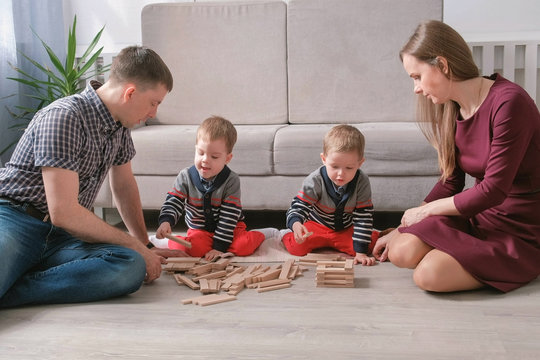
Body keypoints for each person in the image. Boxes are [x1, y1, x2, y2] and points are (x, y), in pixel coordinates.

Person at [0, 46, 174, 308]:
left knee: (129, 266)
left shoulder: (120, 125)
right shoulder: (64, 116)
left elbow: (124, 185)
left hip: (60, 238)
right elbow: (65, 212)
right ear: (130, 93)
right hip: (16, 221)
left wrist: (144, 245)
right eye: (154, 103)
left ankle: (11, 290)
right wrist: (134, 244)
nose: (153, 113)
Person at [372, 20, 540, 292]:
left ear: (442, 64)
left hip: (519, 227)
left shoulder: (510, 103)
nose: (415, 88)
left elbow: (493, 191)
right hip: (479, 215)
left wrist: (424, 213)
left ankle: (502, 263)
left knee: (428, 276)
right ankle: (458, 256)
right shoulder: (453, 107)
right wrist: (405, 223)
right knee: (401, 250)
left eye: (417, 76)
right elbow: (451, 182)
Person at [152, 116, 273, 261]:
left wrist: (219, 247)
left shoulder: (231, 180)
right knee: (193, 249)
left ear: (227, 159)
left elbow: (229, 216)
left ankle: (267, 233)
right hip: (200, 230)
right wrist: (166, 221)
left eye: (214, 157)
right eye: (201, 153)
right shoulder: (185, 176)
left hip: (231, 228)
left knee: (243, 246)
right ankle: (166, 240)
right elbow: (174, 201)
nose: (205, 160)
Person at [281, 124, 379, 265]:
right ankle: (286, 236)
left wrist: (361, 252)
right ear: (324, 159)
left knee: (368, 246)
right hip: (317, 226)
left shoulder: (362, 181)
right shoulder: (315, 180)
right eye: (334, 167)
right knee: (296, 247)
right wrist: (296, 224)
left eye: (349, 168)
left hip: (344, 229)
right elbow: (300, 206)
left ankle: (377, 235)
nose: (341, 174)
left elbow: (363, 216)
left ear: (360, 163)